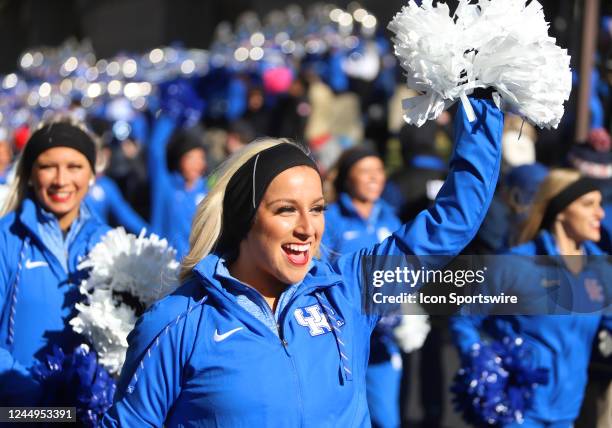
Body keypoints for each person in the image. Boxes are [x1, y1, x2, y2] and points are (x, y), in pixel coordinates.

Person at [102, 96, 503, 427]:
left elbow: (451, 224)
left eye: (317, 208)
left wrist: (481, 103)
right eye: (285, 210)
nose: (308, 228)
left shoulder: (348, 292)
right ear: (245, 218)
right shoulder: (179, 322)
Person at [450, 168, 610, 428]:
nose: (600, 214)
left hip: (567, 415)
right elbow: (464, 321)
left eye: (600, 205)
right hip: (517, 412)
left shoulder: (601, 270)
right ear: (561, 210)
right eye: (588, 205)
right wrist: (484, 366)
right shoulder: (515, 264)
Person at [0, 119, 110, 405]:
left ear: (91, 174)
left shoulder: (111, 243)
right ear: (30, 175)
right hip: (16, 412)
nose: (61, 180)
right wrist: (40, 400)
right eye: (48, 166)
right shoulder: (6, 239)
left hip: (88, 418)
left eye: (74, 166)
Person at [322, 146, 403, 428]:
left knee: (386, 419)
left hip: (382, 343)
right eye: (365, 172)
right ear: (347, 178)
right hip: (339, 342)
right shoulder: (329, 220)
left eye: (379, 171)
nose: (374, 178)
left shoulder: (391, 218)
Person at [148, 119, 208, 258]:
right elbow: (155, 148)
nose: (197, 164)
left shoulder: (208, 191)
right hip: (165, 267)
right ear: (180, 160)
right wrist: (170, 116)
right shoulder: (166, 187)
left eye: (200, 158)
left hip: (196, 269)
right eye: (191, 158)